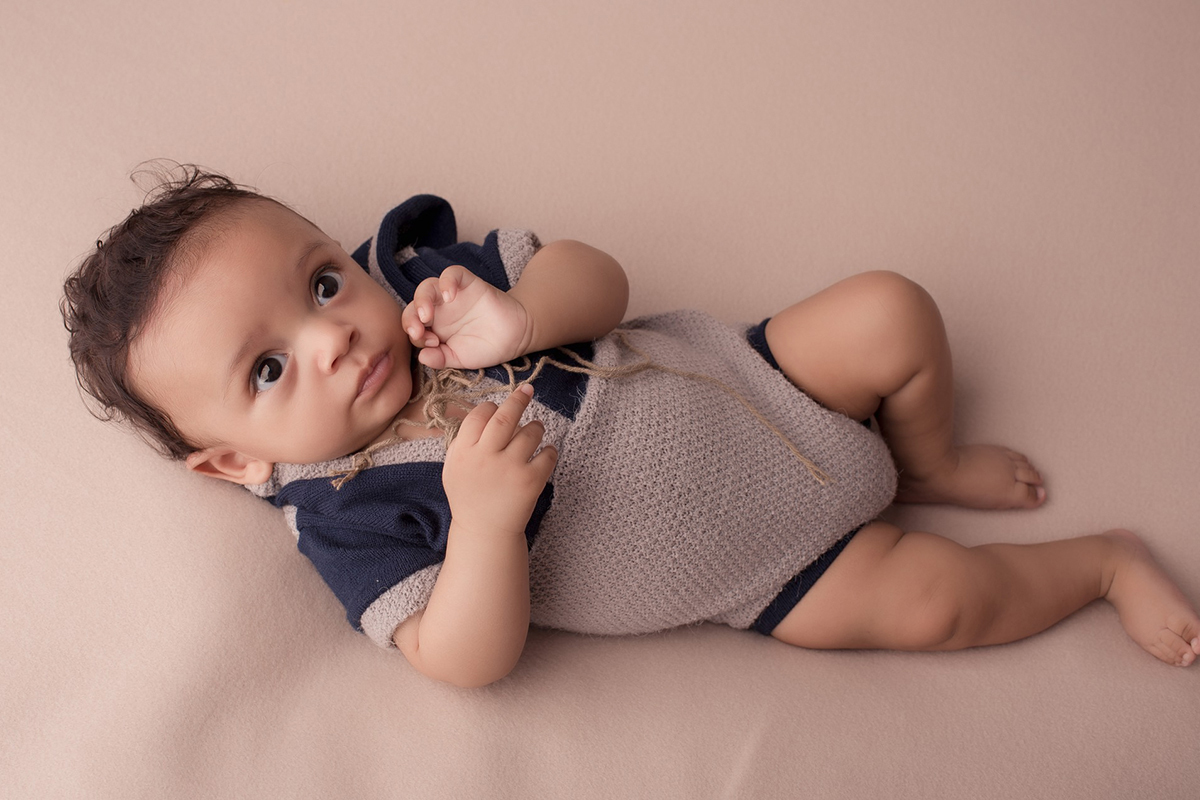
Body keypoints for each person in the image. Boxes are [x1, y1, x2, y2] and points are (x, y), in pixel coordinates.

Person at [62, 166, 1200, 688]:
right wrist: (487, 530)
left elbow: (599, 281)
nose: (333, 339)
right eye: (268, 367)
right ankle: (1101, 564)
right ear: (234, 458)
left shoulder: (425, 285)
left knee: (892, 307)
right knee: (939, 602)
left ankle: (928, 455)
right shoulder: (348, 515)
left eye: (318, 284)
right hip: (774, 572)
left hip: (761, 380)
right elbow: (460, 659)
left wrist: (521, 309)